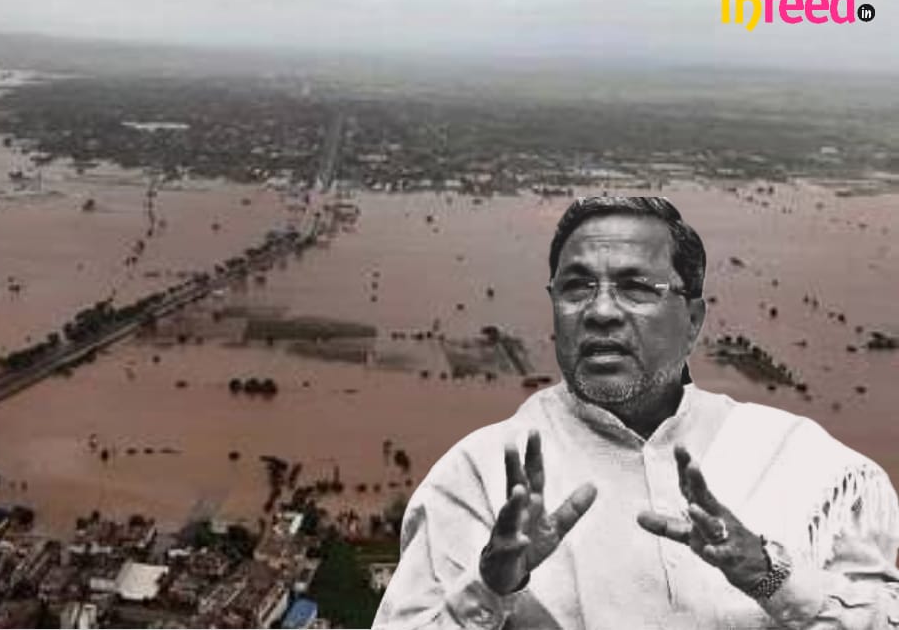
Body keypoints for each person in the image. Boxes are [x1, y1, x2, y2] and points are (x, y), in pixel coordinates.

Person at [373, 196, 899, 629]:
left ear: (692, 319)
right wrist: (491, 587)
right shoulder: (483, 475)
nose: (601, 311)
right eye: (577, 286)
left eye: (635, 287)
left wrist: (768, 574)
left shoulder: (803, 463)